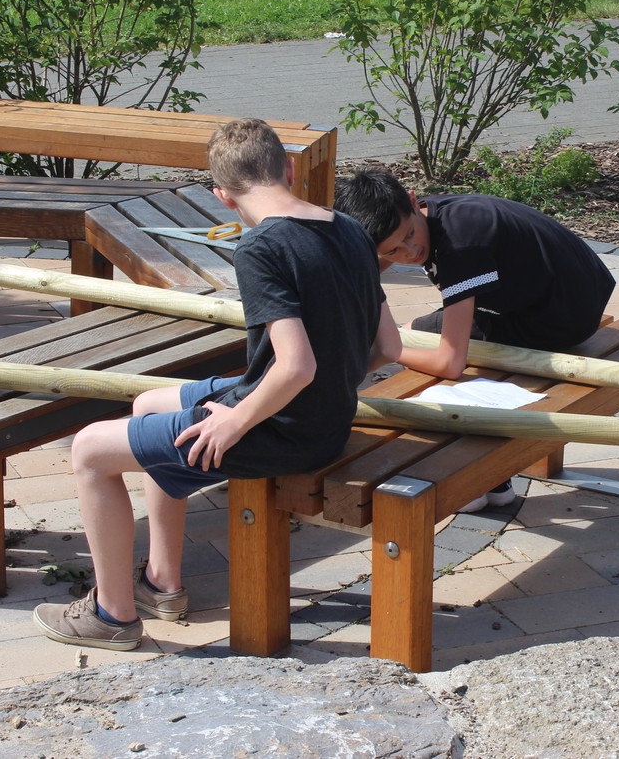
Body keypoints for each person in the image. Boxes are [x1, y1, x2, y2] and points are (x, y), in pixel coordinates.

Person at [34, 119, 401, 651]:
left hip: (285, 433)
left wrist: (235, 417)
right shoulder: (348, 229)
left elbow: (296, 367)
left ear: (222, 196)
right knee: (146, 403)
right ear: (290, 169)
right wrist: (320, 381)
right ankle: (162, 582)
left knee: (90, 449)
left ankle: (111, 616)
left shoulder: (261, 248)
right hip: (322, 417)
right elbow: (387, 347)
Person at [334, 167, 615, 512]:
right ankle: (496, 484)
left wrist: (387, 352)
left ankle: (472, 480)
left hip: (558, 320)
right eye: (392, 251)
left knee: (418, 351)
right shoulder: (434, 214)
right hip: (565, 296)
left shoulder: (460, 242)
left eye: (409, 235)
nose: (409, 252)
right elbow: (377, 258)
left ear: (411, 199)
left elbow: (450, 363)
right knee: (413, 336)